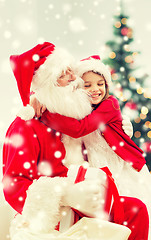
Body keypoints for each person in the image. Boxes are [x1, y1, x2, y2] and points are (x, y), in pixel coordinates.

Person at [2, 42, 149, 240]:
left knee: (136, 210)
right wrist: (65, 196)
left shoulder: (70, 115)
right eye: (64, 74)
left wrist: (123, 128)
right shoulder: (26, 126)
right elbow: (14, 186)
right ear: (49, 84)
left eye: (72, 71)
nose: (74, 79)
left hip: (89, 200)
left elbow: (91, 115)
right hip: (54, 216)